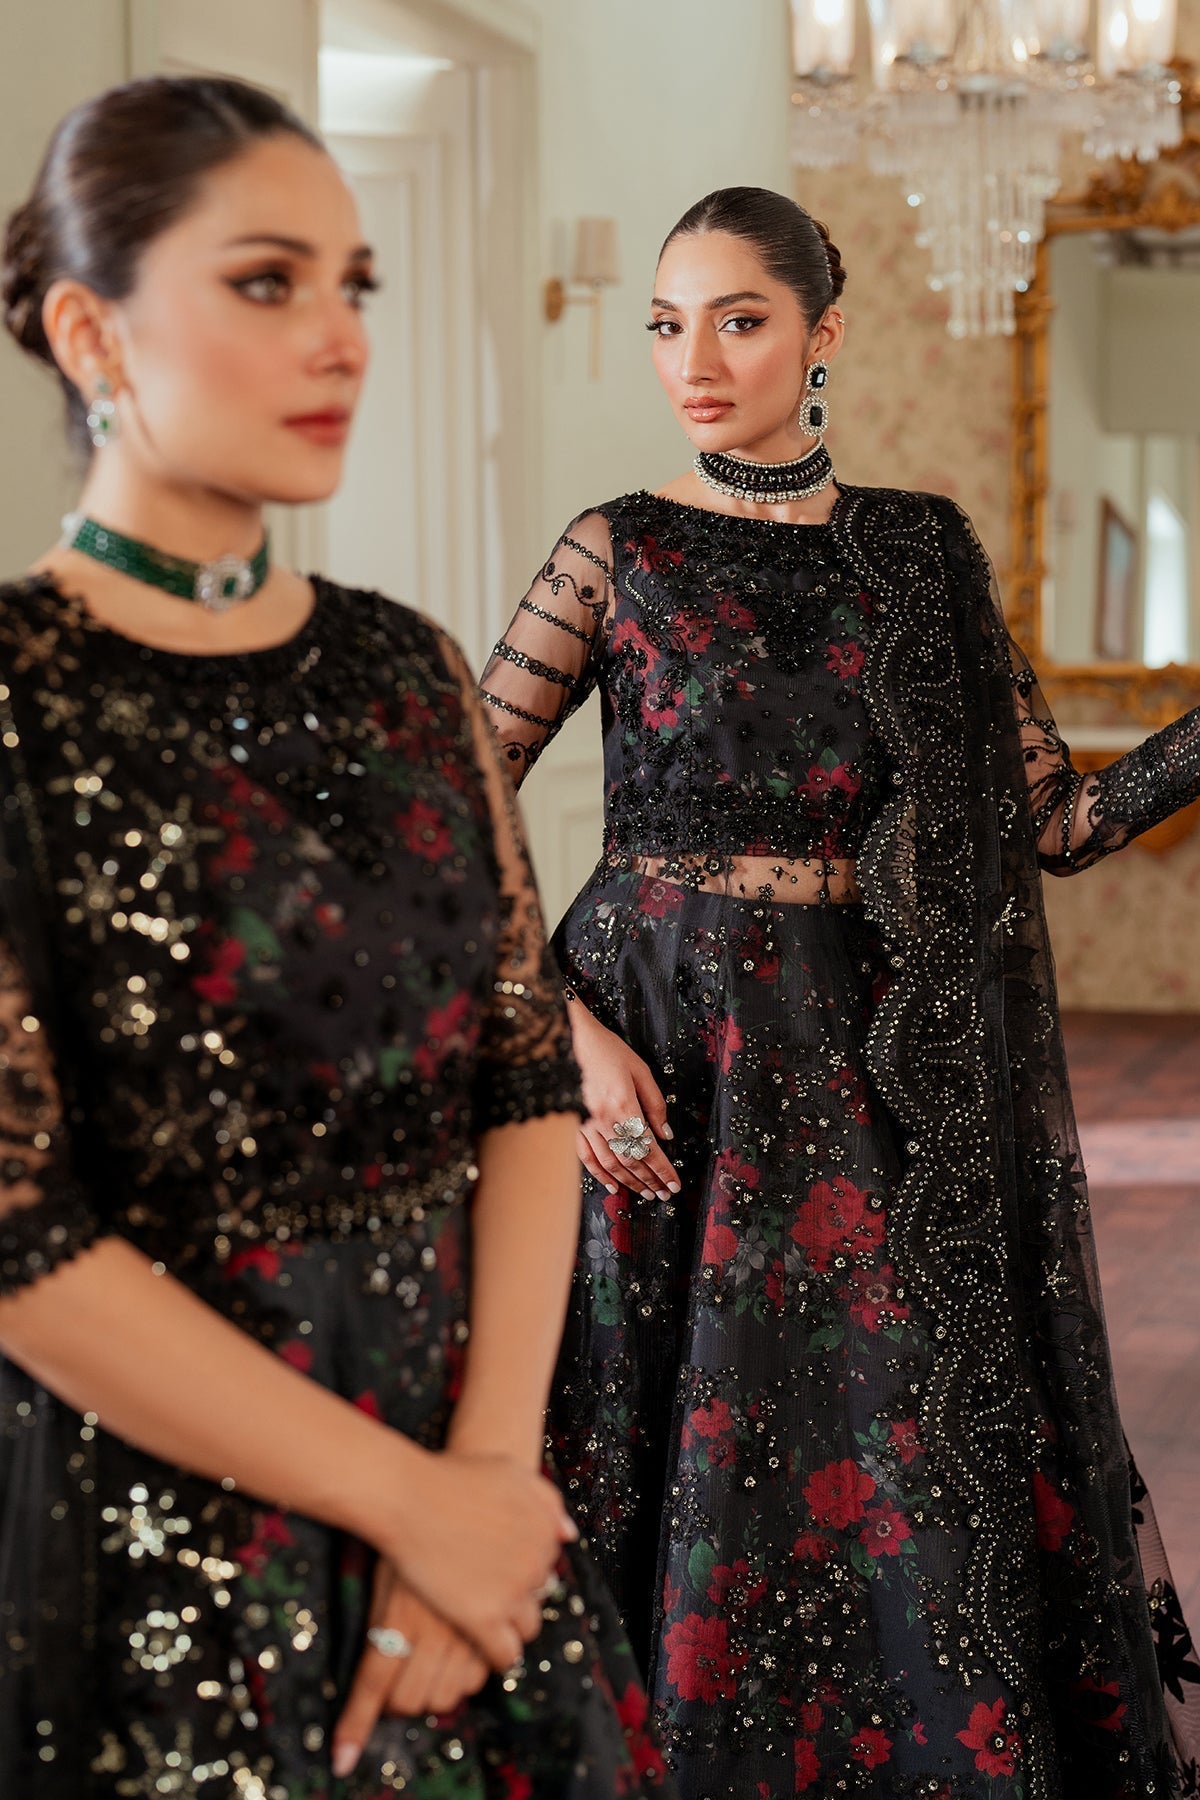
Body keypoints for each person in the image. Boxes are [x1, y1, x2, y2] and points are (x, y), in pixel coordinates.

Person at [479, 185, 1200, 1798]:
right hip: (655, 1052)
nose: (695, 361)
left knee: (895, 1434)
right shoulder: (618, 548)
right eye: (668, 325)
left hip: (869, 1054)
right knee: (664, 1441)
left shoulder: (919, 550)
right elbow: (444, 820)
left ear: (826, 334)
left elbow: (1057, 823)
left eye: (738, 320)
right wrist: (565, 1039)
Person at [0, 76, 670, 1799]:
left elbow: (524, 1079)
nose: (340, 338)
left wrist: (490, 1480)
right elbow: (17, 1230)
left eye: (354, 285)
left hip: (469, 1477)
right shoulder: (15, 698)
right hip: (159, 1523)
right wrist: (409, 1506)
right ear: (89, 331)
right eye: (266, 281)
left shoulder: (410, 668)